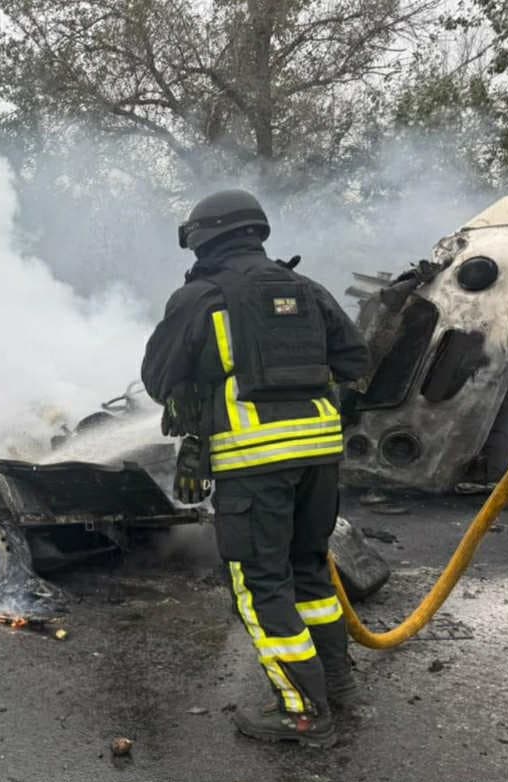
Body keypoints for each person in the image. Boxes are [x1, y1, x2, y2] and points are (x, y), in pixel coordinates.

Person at [141, 189, 369, 748]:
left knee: (261, 583)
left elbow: (156, 379)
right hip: (319, 454)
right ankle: (334, 685)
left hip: (253, 460)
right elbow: (356, 361)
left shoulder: (200, 297)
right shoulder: (306, 289)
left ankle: (303, 712)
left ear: (202, 238)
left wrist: (206, 388)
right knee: (310, 570)